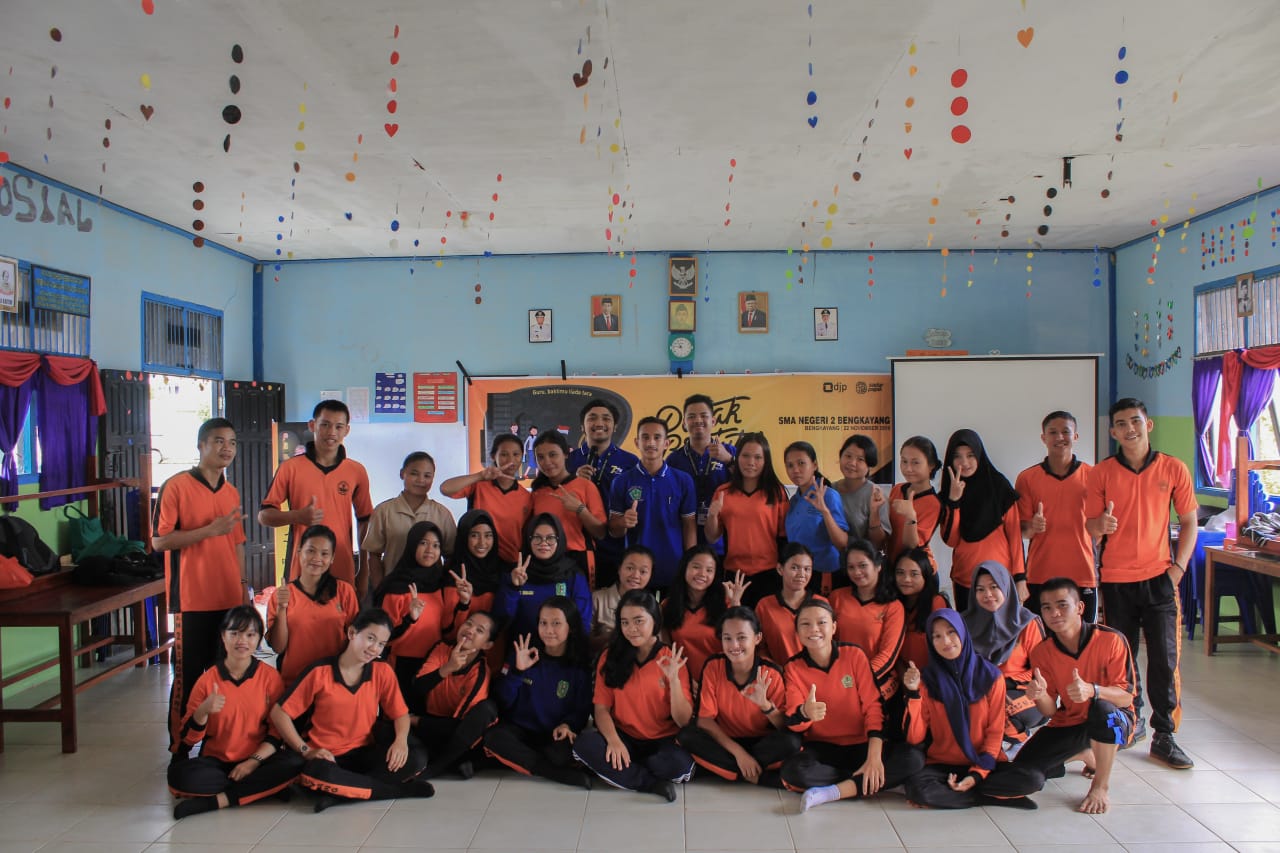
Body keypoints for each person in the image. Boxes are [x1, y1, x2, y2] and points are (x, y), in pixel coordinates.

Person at [1084, 397, 1197, 768]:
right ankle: (1130, 723)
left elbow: (1190, 522)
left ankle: (1165, 734)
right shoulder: (1101, 473)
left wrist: (1178, 568)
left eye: (1135, 421)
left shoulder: (1173, 468)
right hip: (1116, 582)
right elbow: (1090, 528)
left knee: (1165, 660)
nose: (1129, 429)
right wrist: (1101, 525)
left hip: (1159, 579)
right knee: (1123, 660)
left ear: (1148, 425)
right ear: (1113, 431)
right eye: (1121, 423)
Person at [271, 608, 434, 811]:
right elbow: (279, 713)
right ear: (352, 633)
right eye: (370, 638)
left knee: (416, 758)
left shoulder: (382, 671)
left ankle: (340, 793)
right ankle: (395, 791)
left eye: (381, 644)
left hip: (363, 754)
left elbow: (400, 714)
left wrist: (400, 742)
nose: (374, 649)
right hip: (326, 758)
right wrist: (306, 750)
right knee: (317, 774)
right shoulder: (320, 672)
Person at [153, 417, 249, 747]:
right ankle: (179, 746)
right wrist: (209, 530)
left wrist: (243, 588)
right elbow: (159, 541)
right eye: (219, 441)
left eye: (232, 443)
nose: (227, 448)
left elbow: (237, 543)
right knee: (189, 677)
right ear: (201, 445)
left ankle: (218, 745)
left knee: (226, 675)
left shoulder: (231, 492)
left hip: (228, 599)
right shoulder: (176, 486)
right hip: (192, 600)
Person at [780, 598, 922, 809]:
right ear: (797, 632)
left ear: (834, 627)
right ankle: (867, 782)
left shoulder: (854, 654)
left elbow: (874, 707)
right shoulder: (793, 667)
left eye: (822, 622)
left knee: (913, 758)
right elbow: (793, 720)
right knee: (793, 771)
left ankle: (833, 791)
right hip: (823, 748)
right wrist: (805, 712)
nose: (814, 629)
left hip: (861, 743)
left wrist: (874, 758)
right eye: (805, 624)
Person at [1013, 578, 1139, 813]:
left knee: (1101, 708)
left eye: (1062, 605)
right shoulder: (1042, 652)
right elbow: (1049, 711)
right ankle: (1083, 754)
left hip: (1115, 720)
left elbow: (1126, 698)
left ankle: (1100, 786)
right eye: (1047, 608)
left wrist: (1093, 690)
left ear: (1080, 607)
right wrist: (1039, 695)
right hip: (1072, 721)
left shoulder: (1111, 640)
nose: (1054, 613)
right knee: (1023, 772)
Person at [168, 606, 304, 820]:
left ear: (259, 639)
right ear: (223, 636)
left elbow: (276, 733)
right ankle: (260, 789)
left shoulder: (270, 678)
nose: (242, 641)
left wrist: (252, 762)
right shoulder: (207, 680)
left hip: (258, 759)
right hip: (217, 763)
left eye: (250, 635)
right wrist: (203, 711)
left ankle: (218, 800)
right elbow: (188, 739)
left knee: (295, 763)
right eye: (235, 634)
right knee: (178, 775)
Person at [901, 610, 1045, 810]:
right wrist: (913, 693)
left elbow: (995, 732)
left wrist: (977, 774)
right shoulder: (927, 680)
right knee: (917, 789)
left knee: (1033, 779)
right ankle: (989, 797)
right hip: (944, 764)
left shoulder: (991, 676)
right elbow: (914, 738)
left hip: (984, 762)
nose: (946, 641)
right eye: (937, 636)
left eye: (951, 632)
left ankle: (961, 794)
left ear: (962, 632)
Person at [572, 590, 695, 801]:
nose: (631, 629)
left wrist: (674, 680)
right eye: (625, 622)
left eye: (639, 621)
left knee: (679, 766)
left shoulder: (671, 658)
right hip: (624, 736)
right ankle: (649, 783)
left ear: (654, 621)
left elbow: (683, 721)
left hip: (662, 740)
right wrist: (613, 741)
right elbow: (601, 709)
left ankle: (627, 771)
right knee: (585, 746)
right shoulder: (610, 656)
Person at [259, 400, 374, 597]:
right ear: (312, 425)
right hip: (301, 568)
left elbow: (365, 522)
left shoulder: (356, 471)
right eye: (325, 425)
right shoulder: (290, 468)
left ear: (347, 430)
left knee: (341, 616)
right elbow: (264, 516)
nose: (331, 432)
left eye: (338, 427)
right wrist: (297, 516)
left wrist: (364, 571)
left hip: (342, 567)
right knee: (301, 615)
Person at [678, 607, 800, 786]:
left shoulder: (771, 673)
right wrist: (739, 754)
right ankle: (756, 775)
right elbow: (704, 721)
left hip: (762, 742)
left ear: (757, 638)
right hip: (726, 741)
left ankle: (731, 771)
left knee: (792, 742)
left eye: (742, 637)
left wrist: (766, 706)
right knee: (686, 736)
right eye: (727, 638)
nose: (734, 645)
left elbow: (784, 726)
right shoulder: (713, 666)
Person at [484, 597, 594, 788]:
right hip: (519, 730)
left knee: (563, 753)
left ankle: (518, 761)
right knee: (494, 738)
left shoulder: (580, 665)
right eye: (543, 623)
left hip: (553, 733)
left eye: (556, 623)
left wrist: (568, 725)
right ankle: (551, 772)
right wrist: (517, 672)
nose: (548, 630)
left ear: (571, 627)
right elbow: (502, 701)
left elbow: (581, 710)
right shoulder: (524, 653)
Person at [372, 522, 468, 698]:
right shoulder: (395, 587)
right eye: (423, 543)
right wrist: (410, 618)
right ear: (412, 545)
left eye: (436, 545)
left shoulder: (440, 583)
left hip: (433, 663)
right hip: (400, 664)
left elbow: (447, 630)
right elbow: (383, 637)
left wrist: (463, 603)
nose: (430, 550)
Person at [1016, 411, 1097, 620]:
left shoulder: (1093, 476)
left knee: (1084, 636)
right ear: (1043, 438)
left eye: (1065, 432)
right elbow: (1022, 531)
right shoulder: (1027, 478)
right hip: (1039, 575)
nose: (1059, 437)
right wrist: (1033, 526)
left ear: (1075, 436)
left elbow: (1099, 528)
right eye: (1053, 432)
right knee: (1039, 636)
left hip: (1083, 574)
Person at [939, 429, 1026, 612]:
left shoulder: (998, 486)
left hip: (999, 580)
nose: (964, 462)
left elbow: (1015, 536)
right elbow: (951, 540)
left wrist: (1020, 578)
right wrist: (954, 501)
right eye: (957, 456)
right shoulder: (949, 489)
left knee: (1000, 628)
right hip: (965, 578)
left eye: (970, 455)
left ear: (979, 454)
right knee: (968, 629)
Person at [963, 562, 1049, 747]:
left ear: (1006, 587)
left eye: (994, 587)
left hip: (1024, 691)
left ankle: (1022, 747)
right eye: (980, 589)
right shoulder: (963, 624)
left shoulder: (1028, 623)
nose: (987, 594)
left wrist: (1002, 684)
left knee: (997, 712)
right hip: (981, 691)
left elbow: (1042, 671)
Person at [608, 416, 697, 590]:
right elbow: (614, 531)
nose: (651, 443)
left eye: (657, 437)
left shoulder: (683, 480)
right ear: (637, 442)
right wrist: (623, 522)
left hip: (673, 567)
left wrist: (690, 563)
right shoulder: (621, 481)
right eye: (645, 437)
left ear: (667, 443)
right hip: (636, 573)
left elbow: (689, 524)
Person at [411, 611, 501, 779]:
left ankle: (439, 766)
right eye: (468, 623)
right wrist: (447, 668)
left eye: (479, 630)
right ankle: (456, 763)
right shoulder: (441, 648)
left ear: (487, 645)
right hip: (429, 725)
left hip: (451, 732)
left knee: (486, 711)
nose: (470, 630)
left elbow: (460, 726)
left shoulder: (480, 673)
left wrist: (414, 721)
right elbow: (417, 688)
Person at [266, 525, 360, 685]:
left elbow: (356, 640)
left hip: (334, 681)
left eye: (324, 553)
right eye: (310, 551)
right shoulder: (281, 595)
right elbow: (278, 647)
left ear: (332, 558)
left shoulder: (344, 591)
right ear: (299, 552)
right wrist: (282, 608)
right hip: (294, 682)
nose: (317, 558)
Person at [704, 431, 788, 606]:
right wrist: (712, 515)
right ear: (737, 458)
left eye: (758, 457)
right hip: (734, 573)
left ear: (766, 461)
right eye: (745, 456)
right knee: (735, 621)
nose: (751, 462)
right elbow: (711, 536)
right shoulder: (723, 492)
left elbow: (783, 536)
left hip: (769, 573)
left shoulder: (776, 492)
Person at [362, 451, 457, 594]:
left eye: (427, 476)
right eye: (414, 473)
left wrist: (444, 588)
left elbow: (450, 555)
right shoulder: (384, 511)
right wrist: (380, 590)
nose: (421, 480)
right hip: (394, 591)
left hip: (431, 592)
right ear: (402, 474)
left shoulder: (442, 514)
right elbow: (374, 554)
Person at [568, 398, 638, 589]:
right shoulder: (568, 460)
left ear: (615, 426)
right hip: (575, 547)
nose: (599, 423)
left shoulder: (630, 462)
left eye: (606, 418)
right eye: (592, 418)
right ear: (582, 426)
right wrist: (574, 481)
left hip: (615, 547)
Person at [828, 540, 905, 701]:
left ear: (878, 566)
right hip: (839, 679)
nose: (857, 572)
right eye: (851, 567)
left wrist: (856, 680)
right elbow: (827, 642)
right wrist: (841, 678)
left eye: (863, 565)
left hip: (878, 683)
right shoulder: (836, 597)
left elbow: (887, 655)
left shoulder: (893, 607)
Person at [496, 514, 592, 640]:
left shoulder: (573, 574)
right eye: (537, 538)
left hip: (562, 648)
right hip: (523, 647)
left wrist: (572, 649)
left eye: (550, 538)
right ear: (528, 540)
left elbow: (583, 622)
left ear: (560, 540)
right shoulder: (516, 572)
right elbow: (502, 620)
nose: (543, 543)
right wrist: (513, 588)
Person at [440, 433, 531, 565]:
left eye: (516, 454)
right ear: (493, 456)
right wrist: (480, 476)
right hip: (477, 561)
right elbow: (445, 488)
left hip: (510, 564)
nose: (511, 460)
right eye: (504, 454)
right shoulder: (478, 485)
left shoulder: (526, 497)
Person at [529, 429, 607, 578]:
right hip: (546, 561)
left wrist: (580, 510)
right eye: (541, 457)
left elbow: (600, 533)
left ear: (565, 454)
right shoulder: (537, 493)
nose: (547, 462)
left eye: (553, 455)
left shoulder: (585, 486)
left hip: (579, 559)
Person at [666, 394, 736, 553]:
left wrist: (728, 460)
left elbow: (749, 483)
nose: (698, 420)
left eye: (704, 415)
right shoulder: (673, 460)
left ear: (713, 421)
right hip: (684, 537)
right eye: (691, 416)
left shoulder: (730, 452)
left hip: (724, 538)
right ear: (684, 423)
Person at [661, 545, 738, 682]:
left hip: (720, 679)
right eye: (696, 567)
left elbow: (739, 645)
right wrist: (683, 680)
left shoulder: (726, 604)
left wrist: (735, 602)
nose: (702, 574)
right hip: (681, 680)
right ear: (684, 568)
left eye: (709, 570)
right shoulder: (667, 605)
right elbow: (666, 650)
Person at [782, 441, 849, 591]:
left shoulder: (828, 495)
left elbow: (842, 543)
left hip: (825, 573)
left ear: (814, 465)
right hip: (800, 574)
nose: (795, 470)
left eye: (801, 463)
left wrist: (825, 511)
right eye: (790, 465)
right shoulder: (794, 500)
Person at [894, 547, 950, 685]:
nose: (906, 579)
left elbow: (945, 648)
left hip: (935, 679)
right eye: (900, 573)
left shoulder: (936, 603)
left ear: (925, 576)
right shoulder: (892, 605)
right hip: (904, 678)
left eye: (914, 574)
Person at [756, 544, 817, 663]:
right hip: (778, 672)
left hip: (815, 672)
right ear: (780, 569)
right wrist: (774, 668)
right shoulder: (764, 606)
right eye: (794, 568)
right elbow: (759, 647)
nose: (801, 574)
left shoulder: (820, 603)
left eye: (807, 569)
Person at [887, 436, 943, 566]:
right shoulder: (897, 489)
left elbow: (912, 545)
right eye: (904, 461)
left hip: (916, 570)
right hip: (892, 565)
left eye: (915, 463)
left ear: (931, 465)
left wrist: (910, 516)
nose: (908, 468)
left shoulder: (933, 504)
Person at [832, 434, 890, 552]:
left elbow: (878, 544)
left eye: (860, 459)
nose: (852, 463)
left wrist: (874, 512)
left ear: (869, 465)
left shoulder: (876, 495)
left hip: (862, 559)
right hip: (830, 559)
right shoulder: (830, 489)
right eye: (848, 456)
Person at [591, 545, 653, 653]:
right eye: (630, 568)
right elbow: (584, 641)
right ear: (619, 569)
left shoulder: (653, 606)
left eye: (643, 572)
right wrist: (615, 636)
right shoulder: (597, 599)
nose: (635, 575)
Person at [449, 509, 507, 620]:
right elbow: (448, 627)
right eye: (474, 535)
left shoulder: (502, 570)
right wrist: (464, 603)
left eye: (488, 535)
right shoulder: (454, 575)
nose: (482, 543)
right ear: (464, 537)